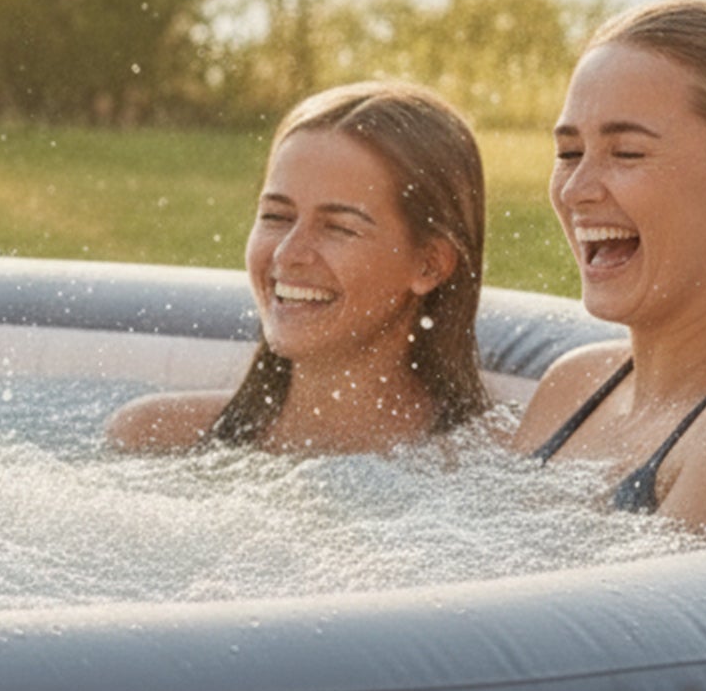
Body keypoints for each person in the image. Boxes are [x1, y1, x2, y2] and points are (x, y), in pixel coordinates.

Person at [514, 0, 706, 542]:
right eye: (569, 153)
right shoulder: (573, 385)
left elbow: (632, 629)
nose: (575, 189)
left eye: (627, 153)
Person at [106, 81, 488, 454]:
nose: (288, 254)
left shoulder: (479, 467)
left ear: (429, 265)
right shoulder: (153, 438)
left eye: (338, 227)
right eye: (276, 216)